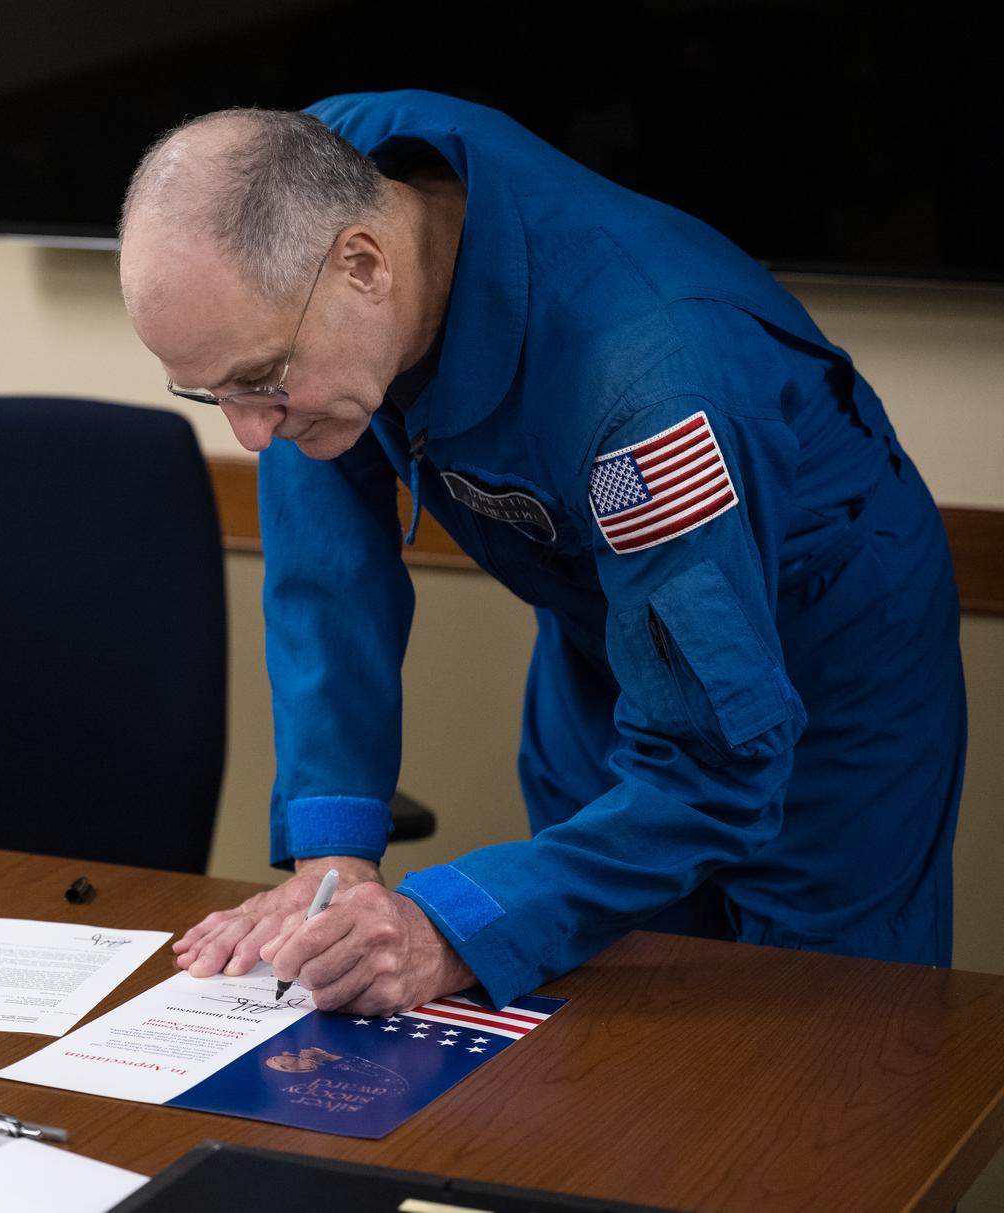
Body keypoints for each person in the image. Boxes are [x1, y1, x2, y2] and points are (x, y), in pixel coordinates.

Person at [117, 90, 966, 1015]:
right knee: (592, 1017)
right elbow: (328, 572)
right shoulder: (308, 190)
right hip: (604, 622)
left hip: (827, 652)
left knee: (801, 1044)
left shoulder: (646, 388)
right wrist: (335, 855)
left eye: (260, 384)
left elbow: (718, 759)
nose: (249, 433)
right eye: (213, 396)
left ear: (366, 268)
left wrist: (442, 928)